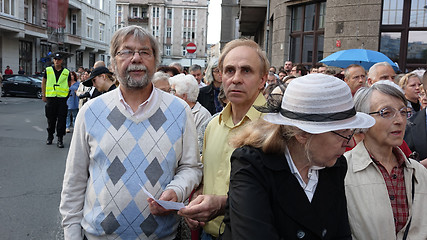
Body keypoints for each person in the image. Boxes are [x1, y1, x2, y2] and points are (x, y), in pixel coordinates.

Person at [59, 25, 202, 240]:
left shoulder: (180, 111)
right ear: (113, 63)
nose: (136, 58)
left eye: (145, 52)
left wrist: (177, 190)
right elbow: (74, 180)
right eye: (126, 51)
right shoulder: (91, 112)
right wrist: (71, 234)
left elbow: (191, 168)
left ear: (155, 61)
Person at [221, 74, 374, 239]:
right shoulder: (252, 164)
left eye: (351, 132)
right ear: (302, 134)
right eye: (342, 133)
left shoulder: (335, 166)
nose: (350, 144)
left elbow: (340, 232)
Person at [178, 38, 268, 239]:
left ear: (263, 79)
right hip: (208, 233)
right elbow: (207, 177)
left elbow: (280, 197)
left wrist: (221, 204)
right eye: (229, 70)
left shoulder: (274, 128)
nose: (236, 79)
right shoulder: (213, 125)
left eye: (246, 70)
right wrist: (197, 200)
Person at [344, 83, 427, 239]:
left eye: (403, 112)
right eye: (386, 112)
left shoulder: (419, 172)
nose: (399, 120)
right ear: (363, 119)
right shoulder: (343, 170)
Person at [42, 52, 71, 148]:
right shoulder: (48, 70)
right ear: (53, 60)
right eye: (55, 59)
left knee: (62, 120)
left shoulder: (66, 72)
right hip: (51, 98)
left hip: (62, 99)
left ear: (61, 61)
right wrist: (44, 95)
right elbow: (44, 83)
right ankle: (50, 136)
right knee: (51, 119)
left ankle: (60, 139)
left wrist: (66, 94)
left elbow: (69, 83)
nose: (57, 61)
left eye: (58, 59)